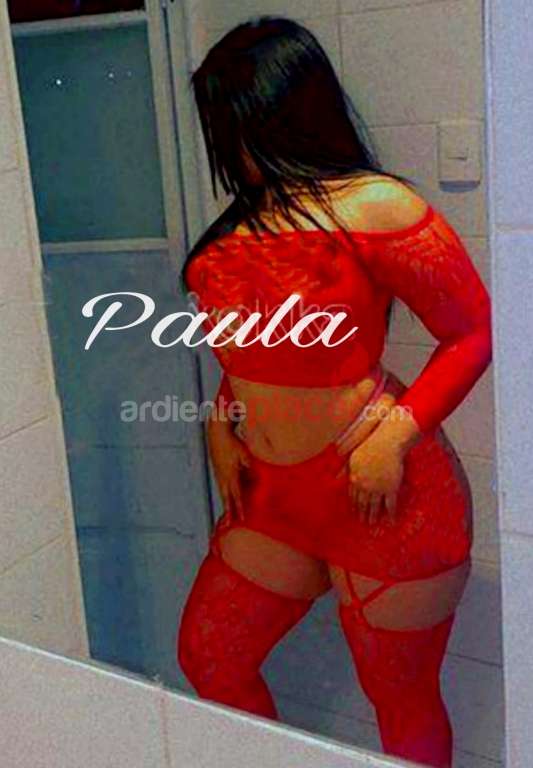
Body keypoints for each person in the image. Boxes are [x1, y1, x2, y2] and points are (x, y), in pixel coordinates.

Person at [176, 16, 492, 768]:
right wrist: (219, 420)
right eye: (222, 126)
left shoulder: (374, 204)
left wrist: (396, 435)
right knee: (211, 659)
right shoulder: (240, 222)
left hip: (385, 489)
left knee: (400, 703)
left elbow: (474, 332)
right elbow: (257, 348)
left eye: (242, 123)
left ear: (291, 113)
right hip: (273, 497)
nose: (231, 147)